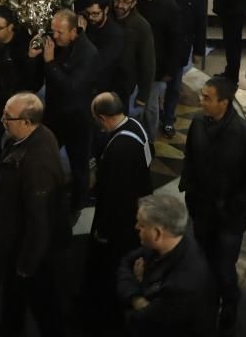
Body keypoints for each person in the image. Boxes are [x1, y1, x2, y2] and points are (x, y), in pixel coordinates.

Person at [179, 77, 246, 334]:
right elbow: (190, 158)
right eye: (202, 95)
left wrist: (234, 203)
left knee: (224, 268)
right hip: (201, 210)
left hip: (229, 218)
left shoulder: (245, 136)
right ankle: (205, 303)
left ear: (224, 103)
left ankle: (229, 305)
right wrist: (189, 188)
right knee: (201, 260)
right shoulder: (197, 123)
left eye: (207, 98)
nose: (200, 100)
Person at [0, 93, 69, 337]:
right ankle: (9, 326)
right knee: (15, 296)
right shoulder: (33, 136)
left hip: (30, 250)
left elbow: (39, 221)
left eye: (8, 117)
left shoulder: (37, 165)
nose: (2, 120)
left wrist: (27, 264)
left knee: (43, 302)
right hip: (18, 242)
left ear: (27, 122)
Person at [86, 93, 152, 326]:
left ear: (103, 118)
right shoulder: (136, 125)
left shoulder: (119, 149)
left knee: (110, 265)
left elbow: (113, 196)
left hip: (119, 220)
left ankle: (106, 314)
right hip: (137, 205)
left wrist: (103, 231)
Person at [116, 192, 217, 336]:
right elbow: (126, 261)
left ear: (157, 234)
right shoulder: (175, 238)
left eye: (142, 225)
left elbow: (142, 321)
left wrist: (136, 294)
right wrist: (141, 300)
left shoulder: (183, 284)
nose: (136, 227)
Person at [30, 9, 99, 210]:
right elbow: (38, 78)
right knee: (43, 156)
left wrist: (50, 62)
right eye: (53, 31)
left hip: (78, 119)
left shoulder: (88, 53)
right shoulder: (56, 43)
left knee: (79, 166)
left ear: (73, 32)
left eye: (60, 32)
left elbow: (71, 87)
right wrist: (33, 56)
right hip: (54, 114)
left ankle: (78, 203)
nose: (54, 36)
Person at [0, 5, 38, 173]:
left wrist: (4, 95)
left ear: (11, 27)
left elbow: (32, 83)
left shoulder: (23, 47)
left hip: (14, 105)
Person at [163, 0, 207, 132]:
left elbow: (200, 22)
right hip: (160, 42)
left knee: (174, 85)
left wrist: (198, 50)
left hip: (180, 45)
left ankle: (168, 118)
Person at [137, 0, 182, 141]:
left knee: (150, 107)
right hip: (137, 62)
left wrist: (170, 70)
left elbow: (175, 42)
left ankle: (149, 140)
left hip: (157, 66)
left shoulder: (170, 8)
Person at [110, 0, 156, 118]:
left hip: (125, 87)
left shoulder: (141, 26)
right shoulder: (107, 17)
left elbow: (148, 63)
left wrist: (143, 96)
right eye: (117, 0)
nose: (119, 5)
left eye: (125, 2)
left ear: (133, 3)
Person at [78, 0, 126, 95]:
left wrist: (82, 37)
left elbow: (96, 64)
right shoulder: (85, 22)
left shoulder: (115, 35)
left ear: (106, 10)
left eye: (95, 14)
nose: (90, 18)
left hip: (104, 90)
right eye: (87, 13)